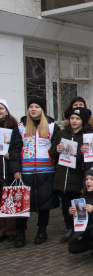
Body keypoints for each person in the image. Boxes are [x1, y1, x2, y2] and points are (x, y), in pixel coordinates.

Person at [15, 98, 60, 247]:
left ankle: (42, 230)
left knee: (44, 202)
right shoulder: (20, 126)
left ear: (42, 109)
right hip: (25, 172)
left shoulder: (53, 127)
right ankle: (20, 233)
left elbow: (57, 148)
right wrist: (16, 169)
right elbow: (15, 149)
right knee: (23, 204)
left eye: (37, 107)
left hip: (46, 171)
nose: (33, 109)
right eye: (31, 107)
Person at [51, 107, 93, 243]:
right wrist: (56, 149)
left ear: (83, 121)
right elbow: (51, 152)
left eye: (78, 118)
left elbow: (91, 155)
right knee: (65, 205)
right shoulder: (62, 134)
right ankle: (69, 227)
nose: (74, 121)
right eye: (72, 118)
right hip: (62, 175)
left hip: (78, 175)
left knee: (78, 204)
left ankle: (79, 229)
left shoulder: (88, 135)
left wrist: (82, 152)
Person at [0, 99, 22, 242]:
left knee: (9, 198)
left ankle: (11, 231)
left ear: (7, 111)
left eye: (1, 108)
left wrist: (15, 169)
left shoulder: (13, 129)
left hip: (6, 169)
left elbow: (16, 150)